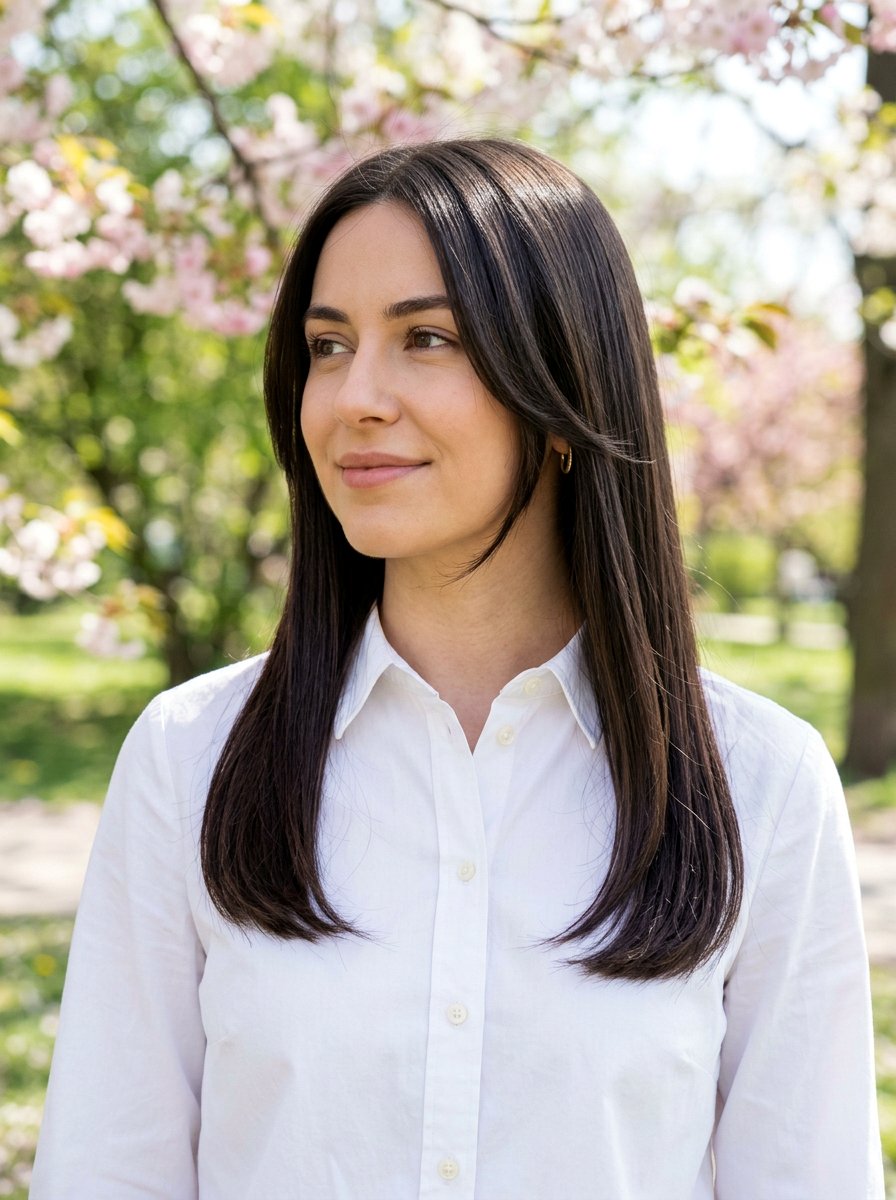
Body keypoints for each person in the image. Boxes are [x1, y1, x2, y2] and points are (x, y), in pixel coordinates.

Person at [30, 138, 883, 1200]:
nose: (354, 398)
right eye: (328, 345)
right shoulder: (188, 756)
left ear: (566, 391)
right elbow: (107, 1174)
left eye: (424, 337)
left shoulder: (759, 782)